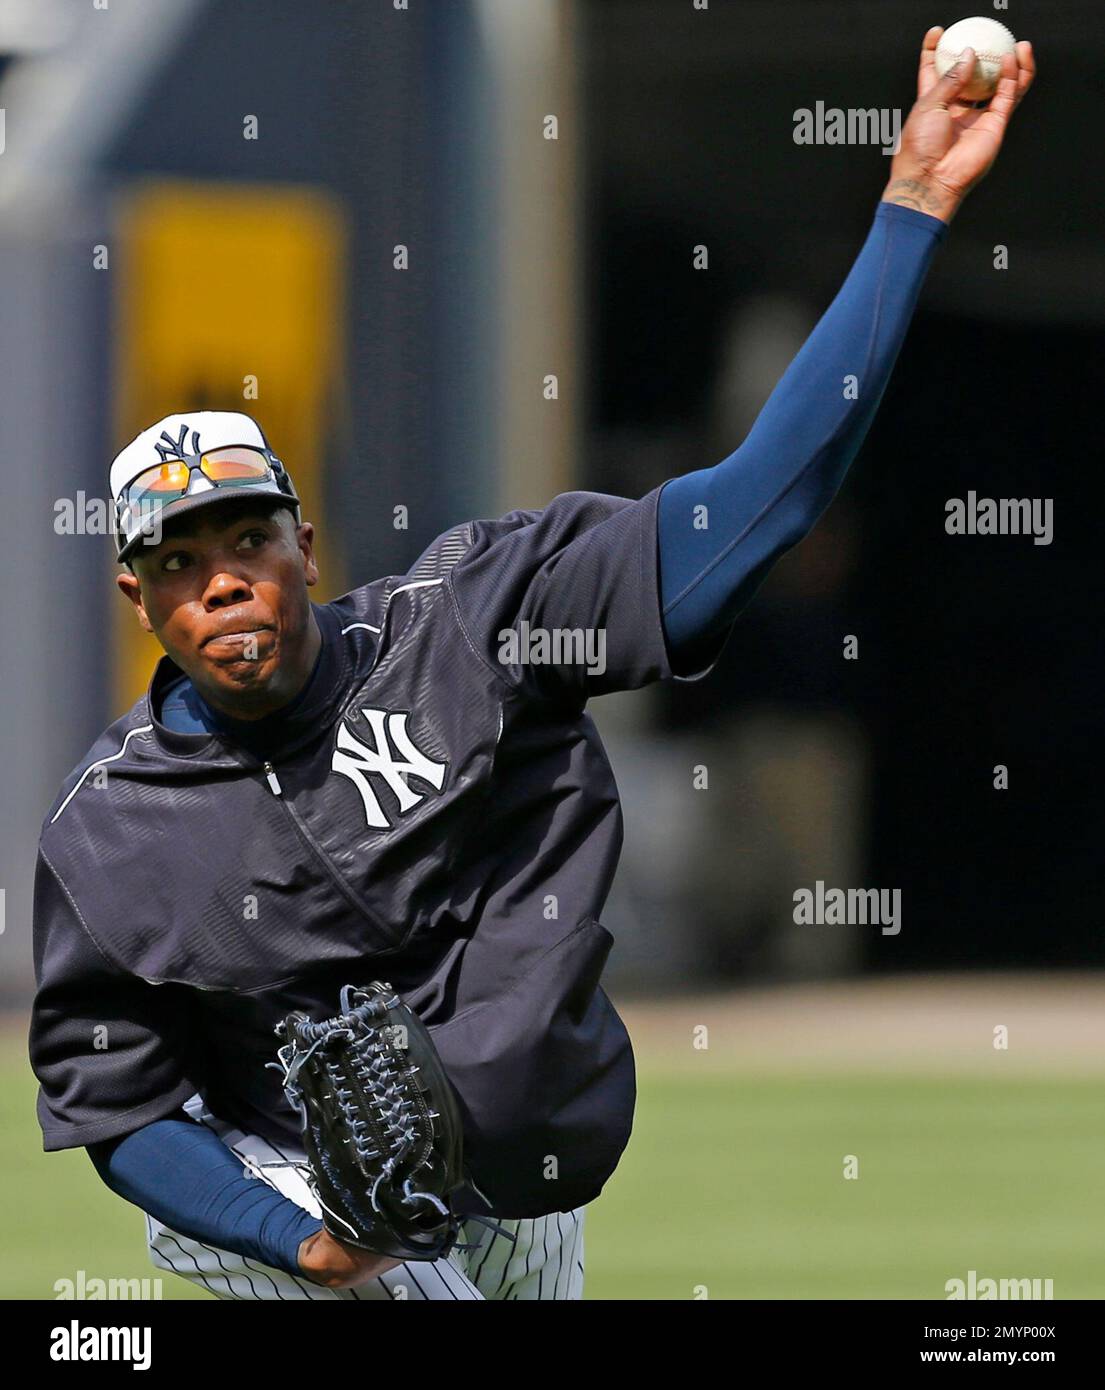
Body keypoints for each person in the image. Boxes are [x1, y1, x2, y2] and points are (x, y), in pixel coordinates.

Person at [29, 32, 1035, 1300]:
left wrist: (914, 207)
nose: (222, 578)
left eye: (247, 535)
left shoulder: (478, 616)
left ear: (305, 541)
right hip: (293, 1186)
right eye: (177, 560)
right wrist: (304, 1244)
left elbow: (757, 509)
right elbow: (122, 1107)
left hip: (518, 1191)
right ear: (136, 593)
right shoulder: (108, 833)